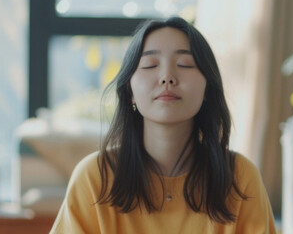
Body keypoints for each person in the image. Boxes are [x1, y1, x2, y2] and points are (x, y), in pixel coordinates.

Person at [50, 16, 276, 234]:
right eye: (150, 65)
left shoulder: (239, 177)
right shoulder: (94, 178)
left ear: (207, 88)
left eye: (184, 64)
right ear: (130, 92)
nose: (167, 76)